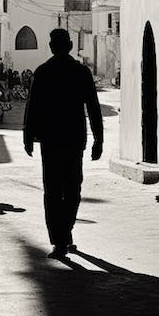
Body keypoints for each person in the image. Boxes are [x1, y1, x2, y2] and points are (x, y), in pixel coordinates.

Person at [23, 28, 103, 257]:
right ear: (68, 46)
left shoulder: (43, 72)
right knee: (72, 189)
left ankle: (60, 237)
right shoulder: (80, 72)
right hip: (73, 140)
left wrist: (28, 135)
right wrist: (99, 138)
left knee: (53, 190)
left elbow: (32, 108)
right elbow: (94, 108)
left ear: (51, 47)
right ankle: (63, 234)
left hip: (51, 140)